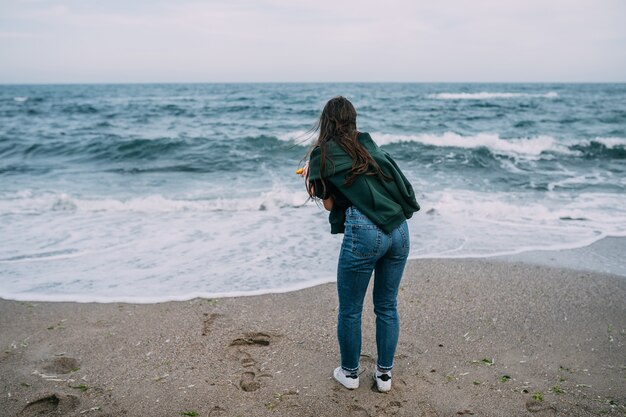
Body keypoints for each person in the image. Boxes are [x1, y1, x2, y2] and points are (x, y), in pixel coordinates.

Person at [301, 96, 420, 392]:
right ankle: (384, 377)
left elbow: (329, 205)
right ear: (353, 121)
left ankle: (350, 373)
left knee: (351, 309)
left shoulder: (323, 154)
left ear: (326, 122)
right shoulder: (368, 145)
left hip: (366, 231)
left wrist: (313, 183)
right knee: (387, 306)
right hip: (399, 230)